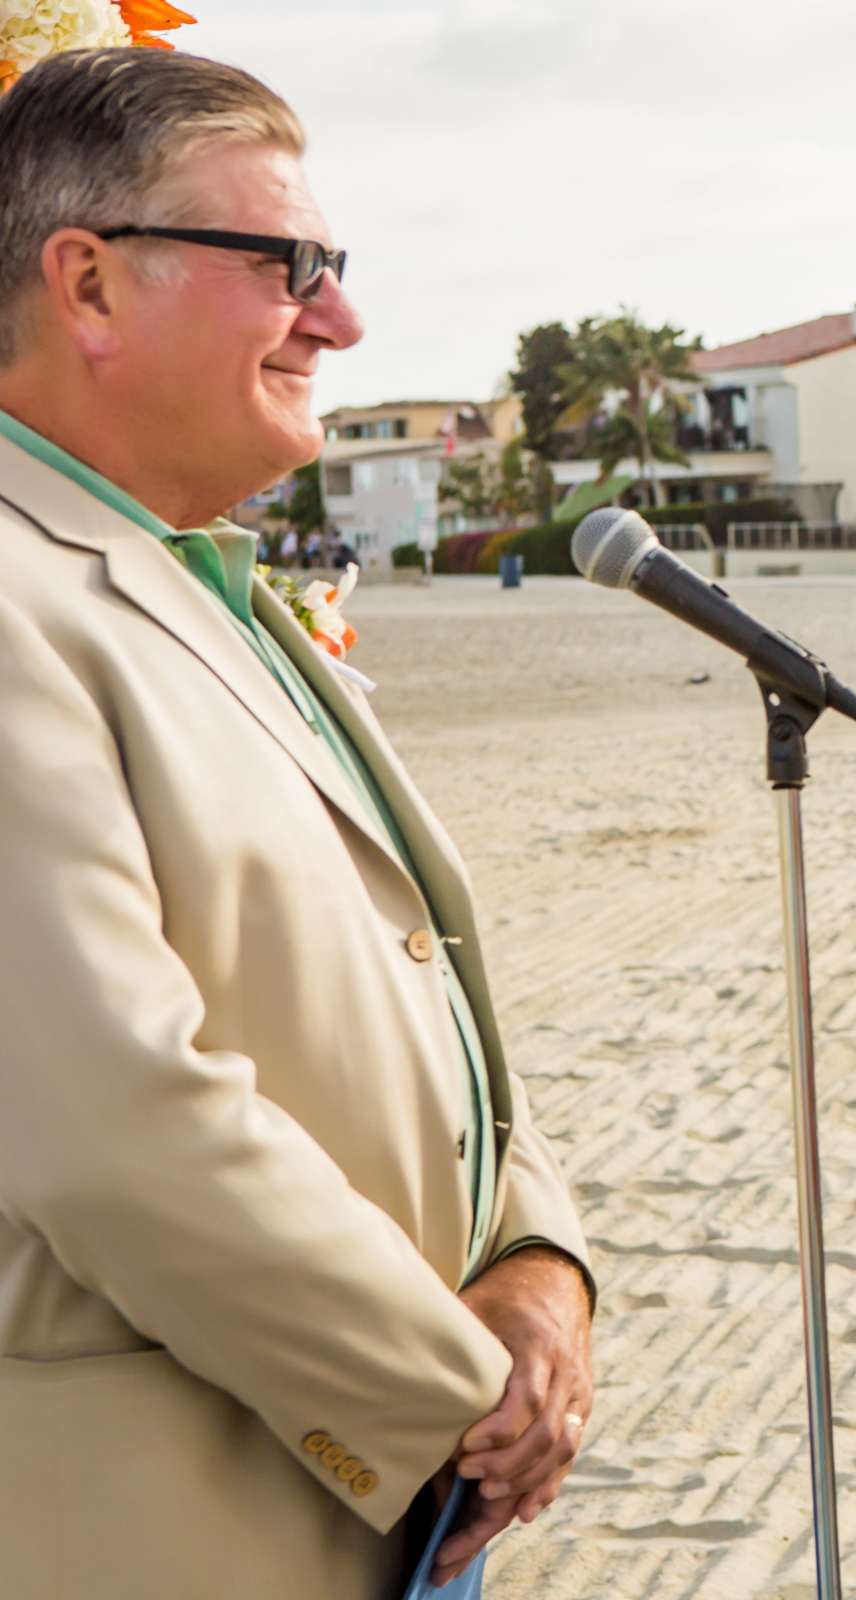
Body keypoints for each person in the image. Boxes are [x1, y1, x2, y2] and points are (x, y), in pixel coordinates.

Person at [0, 50, 592, 1598]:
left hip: (381, 1489)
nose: (339, 318)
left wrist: (537, 1264)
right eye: (292, 267)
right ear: (89, 283)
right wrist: (453, 1396)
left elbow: (427, 977)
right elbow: (119, 1127)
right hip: (180, 1515)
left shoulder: (206, 577)